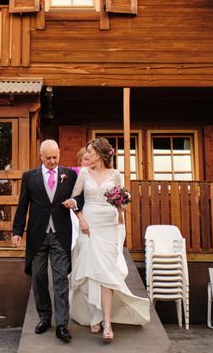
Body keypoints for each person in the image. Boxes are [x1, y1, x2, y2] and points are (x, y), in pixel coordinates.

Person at [64, 138, 150, 342]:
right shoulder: (84, 173)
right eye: (86, 152)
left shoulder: (116, 174)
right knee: (91, 273)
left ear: (101, 154)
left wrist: (122, 205)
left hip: (110, 227)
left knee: (107, 274)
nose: (87, 155)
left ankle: (107, 323)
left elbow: (121, 203)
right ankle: (94, 315)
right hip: (90, 225)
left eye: (90, 152)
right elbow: (76, 199)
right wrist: (82, 220)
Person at [11, 139, 82, 343]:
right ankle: (44, 317)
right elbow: (22, 205)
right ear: (40, 157)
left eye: (55, 157)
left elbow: (81, 198)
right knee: (39, 277)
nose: (52, 161)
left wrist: (75, 202)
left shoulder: (70, 175)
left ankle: (62, 324)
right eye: (48, 158)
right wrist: (17, 231)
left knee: (60, 278)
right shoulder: (29, 177)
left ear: (59, 154)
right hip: (37, 235)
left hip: (60, 233)